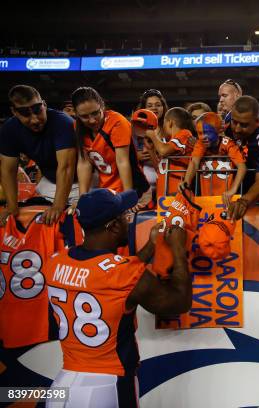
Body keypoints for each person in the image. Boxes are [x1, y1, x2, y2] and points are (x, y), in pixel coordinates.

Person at [43, 188, 191, 407]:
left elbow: (109, 279)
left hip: (62, 385)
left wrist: (151, 247)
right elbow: (178, 302)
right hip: (107, 386)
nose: (128, 221)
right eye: (124, 216)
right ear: (113, 227)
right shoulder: (122, 274)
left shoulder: (55, 262)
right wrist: (178, 250)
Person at [0, 85, 78, 226]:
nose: (35, 119)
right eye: (26, 114)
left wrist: (58, 206)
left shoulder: (63, 122)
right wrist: (11, 207)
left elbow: (66, 168)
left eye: (38, 110)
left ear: (44, 104)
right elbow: (8, 170)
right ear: (14, 112)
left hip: (83, 182)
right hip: (49, 183)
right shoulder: (8, 129)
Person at [72, 87, 150, 206]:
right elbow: (84, 162)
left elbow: (122, 162)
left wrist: (128, 198)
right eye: (84, 116)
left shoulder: (117, 122)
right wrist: (82, 199)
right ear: (76, 114)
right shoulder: (77, 127)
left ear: (102, 105)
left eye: (95, 113)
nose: (92, 120)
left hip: (134, 188)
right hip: (105, 190)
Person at [224, 96, 259, 221]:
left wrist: (243, 201)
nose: (237, 129)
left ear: (257, 122)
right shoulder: (228, 120)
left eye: (244, 125)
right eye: (234, 122)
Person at [183, 112, 247, 206]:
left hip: (227, 197)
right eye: (200, 133)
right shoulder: (200, 144)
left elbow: (242, 167)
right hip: (206, 198)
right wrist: (186, 182)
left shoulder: (228, 143)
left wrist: (232, 190)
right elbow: (194, 163)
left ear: (218, 131)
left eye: (208, 133)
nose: (203, 137)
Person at [146, 107, 197, 196]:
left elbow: (163, 151)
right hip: (164, 193)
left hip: (177, 192)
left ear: (170, 122)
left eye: (164, 122)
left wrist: (152, 135)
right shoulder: (171, 141)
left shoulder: (185, 134)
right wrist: (151, 150)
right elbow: (159, 169)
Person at [135, 89, 169, 192]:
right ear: (143, 108)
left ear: (163, 107)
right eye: (149, 106)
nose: (154, 108)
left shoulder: (170, 127)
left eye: (158, 105)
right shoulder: (135, 128)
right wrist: (136, 157)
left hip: (167, 178)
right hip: (143, 183)